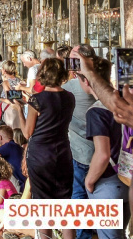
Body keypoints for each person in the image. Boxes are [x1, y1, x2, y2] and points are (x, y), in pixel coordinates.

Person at [13, 58, 75, 239]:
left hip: (40, 154)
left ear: (43, 74)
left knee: (42, 204)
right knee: (65, 205)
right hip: (63, 151)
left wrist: (19, 110)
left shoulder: (37, 99)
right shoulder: (69, 97)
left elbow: (27, 133)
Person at [81, 57, 130, 239]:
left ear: (86, 81)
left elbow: (102, 154)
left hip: (109, 181)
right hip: (128, 178)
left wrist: (89, 181)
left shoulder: (97, 111)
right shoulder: (125, 103)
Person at [62, 44, 97, 239]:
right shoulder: (103, 84)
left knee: (77, 198)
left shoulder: (70, 88)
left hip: (80, 154)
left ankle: (82, 235)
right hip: (101, 154)